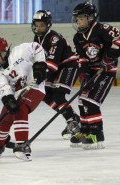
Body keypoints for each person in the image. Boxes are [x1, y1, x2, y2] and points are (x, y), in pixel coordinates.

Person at [70, 2, 120, 149]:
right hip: (92, 71)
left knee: (92, 101)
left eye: (81, 18)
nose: (78, 21)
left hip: (106, 71)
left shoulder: (103, 29)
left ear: (90, 17)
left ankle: (97, 133)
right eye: (77, 19)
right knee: (82, 100)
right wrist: (83, 76)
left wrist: (107, 59)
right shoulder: (78, 37)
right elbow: (82, 59)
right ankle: (85, 130)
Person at [0, 37, 47, 161]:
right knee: (5, 117)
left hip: (36, 86)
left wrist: (40, 65)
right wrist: (8, 100)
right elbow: (5, 89)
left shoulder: (19, 52)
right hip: (18, 93)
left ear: (4, 53)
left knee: (20, 109)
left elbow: (37, 47)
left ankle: (22, 144)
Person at [31, 10, 80, 139]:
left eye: (41, 25)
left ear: (48, 25)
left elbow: (52, 63)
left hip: (68, 66)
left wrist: (40, 77)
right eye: (36, 25)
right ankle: (72, 117)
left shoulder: (54, 38)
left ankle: (72, 121)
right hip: (55, 68)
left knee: (58, 96)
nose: (38, 28)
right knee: (44, 94)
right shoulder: (37, 38)